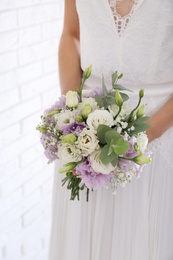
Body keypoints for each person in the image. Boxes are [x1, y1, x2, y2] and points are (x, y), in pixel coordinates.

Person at [48, 0, 173, 259]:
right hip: (85, 142)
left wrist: (142, 138)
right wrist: (73, 112)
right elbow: (72, 33)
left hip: (159, 141)